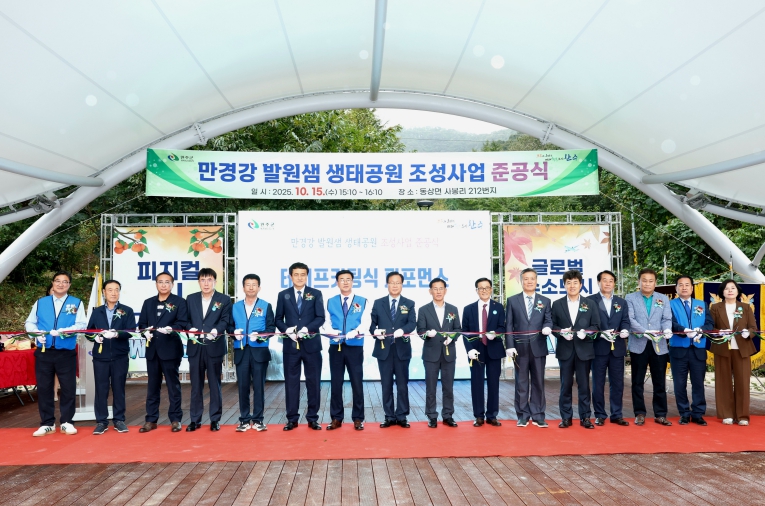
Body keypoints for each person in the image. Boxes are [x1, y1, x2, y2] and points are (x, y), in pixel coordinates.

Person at [26, 271, 87, 436]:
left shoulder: (76, 303)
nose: (61, 284)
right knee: (44, 388)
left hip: (66, 351)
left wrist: (65, 331)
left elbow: (82, 324)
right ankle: (47, 423)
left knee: (68, 388)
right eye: (57, 281)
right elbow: (30, 322)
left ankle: (67, 422)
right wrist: (36, 333)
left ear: (69, 285)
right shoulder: (41, 302)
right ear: (52, 283)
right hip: (44, 351)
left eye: (65, 281)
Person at [275, 262, 326, 430]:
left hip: (312, 345)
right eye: (296, 274)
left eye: (303, 274)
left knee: (313, 382)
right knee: (291, 383)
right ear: (290, 276)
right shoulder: (283, 295)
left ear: (307, 276)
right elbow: (278, 319)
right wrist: (287, 330)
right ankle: (292, 419)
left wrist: (307, 329)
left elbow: (320, 317)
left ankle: (313, 418)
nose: (299, 277)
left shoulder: (316, 293)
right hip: (291, 346)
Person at [138, 272, 189, 433]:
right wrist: (144, 332)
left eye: (167, 282)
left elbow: (183, 323)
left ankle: (175, 419)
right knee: (152, 386)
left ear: (172, 284)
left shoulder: (179, 302)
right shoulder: (148, 303)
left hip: (170, 349)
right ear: (156, 284)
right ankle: (151, 420)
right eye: (160, 282)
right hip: (152, 350)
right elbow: (142, 324)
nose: (164, 285)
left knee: (173, 386)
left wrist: (171, 329)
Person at [551, 270, 600, 429]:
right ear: (564, 285)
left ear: (581, 284)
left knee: (584, 385)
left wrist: (586, 333)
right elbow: (552, 326)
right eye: (569, 283)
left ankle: (585, 417)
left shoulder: (590, 303)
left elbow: (596, 326)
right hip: (565, 350)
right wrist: (561, 333)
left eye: (575, 282)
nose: (572, 286)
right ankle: (566, 417)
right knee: (565, 385)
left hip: (584, 350)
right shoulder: (557, 304)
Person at [185, 268, 232, 432]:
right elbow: (185, 319)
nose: (206, 283)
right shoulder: (190, 299)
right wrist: (190, 329)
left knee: (214, 384)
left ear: (215, 281)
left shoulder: (224, 299)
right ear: (199, 282)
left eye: (209, 280)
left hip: (214, 346)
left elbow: (225, 320)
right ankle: (195, 419)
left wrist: (216, 331)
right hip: (195, 347)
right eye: (203, 280)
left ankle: (215, 419)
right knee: (195, 385)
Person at [504, 268, 553, 428]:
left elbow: (548, 320)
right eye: (526, 278)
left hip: (538, 347)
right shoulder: (513, 301)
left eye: (532, 278)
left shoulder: (545, 301)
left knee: (539, 382)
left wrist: (547, 327)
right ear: (521, 281)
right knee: (521, 383)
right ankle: (523, 415)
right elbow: (509, 325)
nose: (529, 281)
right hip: (520, 349)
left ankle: (538, 415)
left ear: (536, 281)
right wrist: (509, 346)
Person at [625, 268, 673, 426]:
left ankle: (660, 414)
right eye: (644, 280)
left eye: (650, 281)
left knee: (659, 381)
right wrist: (645, 332)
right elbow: (630, 319)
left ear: (655, 283)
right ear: (639, 282)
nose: (647, 283)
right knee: (637, 381)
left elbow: (666, 318)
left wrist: (667, 329)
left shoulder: (663, 298)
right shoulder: (630, 298)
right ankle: (639, 413)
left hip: (658, 344)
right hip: (639, 343)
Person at [86, 279, 135, 435]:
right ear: (104, 292)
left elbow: (131, 331)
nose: (114, 293)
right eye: (110, 290)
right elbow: (89, 332)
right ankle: (101, 421)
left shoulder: (127, 310)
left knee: (119, 388)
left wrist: (117, 334)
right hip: (101, 357)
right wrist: (95, 338)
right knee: (101, 389)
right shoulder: (97, 311)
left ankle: (119, 420)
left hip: (120, 356)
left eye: (116, 290)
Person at [370, 271, 417, 428]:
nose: (395, 285)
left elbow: (412, 323)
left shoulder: (409, 303)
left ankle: (402, 415)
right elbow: (372, 325)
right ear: (387, 284)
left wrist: (403, 330)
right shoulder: (378, 303)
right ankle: (389, 416)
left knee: (402, 384)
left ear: (402, 285)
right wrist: (375, 332)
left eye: (398, 283)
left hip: (402, 350)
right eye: (392, 282)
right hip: (384, 350)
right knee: (386, 384)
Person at [230, 273, 275, 432]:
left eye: (254, 284)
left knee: (259, 386)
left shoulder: (266, 305)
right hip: (241, 351)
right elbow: (229, 326)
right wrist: (234, 332)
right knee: (242, 386)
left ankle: (258, 419)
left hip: (259, 352)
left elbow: (271, 328)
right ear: (243, 288)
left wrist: (260, 335)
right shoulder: (235, 307)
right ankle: (244, 420)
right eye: (248, 285)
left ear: (259, 287)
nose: (251, 287)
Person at [323, 270, 367, 430]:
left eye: (348, 279)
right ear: (337, 283)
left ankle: (358, 418)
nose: (345, 282)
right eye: (342, 279)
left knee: (357, 382)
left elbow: (366, 322)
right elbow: (325, 322)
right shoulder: (330, 301)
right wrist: (331, 332)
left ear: (352, 282)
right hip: (336, 347)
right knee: (336, 382)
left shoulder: (363, 301)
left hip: (355, 347)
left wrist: (356, 331)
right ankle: (336, 418)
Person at [710, 279, 757, 426]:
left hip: (742, 349)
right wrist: (719, 332)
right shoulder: (715, 307)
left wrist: (748, 333)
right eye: (726, 288)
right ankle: (727, 414)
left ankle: (742, 416)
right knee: (723, 381)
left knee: (742, 382)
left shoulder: (746, 307)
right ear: (722, 292)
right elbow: (710, 327)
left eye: (733, 288)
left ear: (738, 291)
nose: (730, 290)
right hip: (722, 348)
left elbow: (753, 328)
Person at [588, 270, 631, 426]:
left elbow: (625, 320)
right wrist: (600, 334)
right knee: (598, 384)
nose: (608, 283)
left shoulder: (621, 302)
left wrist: (625, 330)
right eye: (604, 280)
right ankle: (600, 414)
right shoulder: (590, 301)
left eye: (611, 281)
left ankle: (616, 414)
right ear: (598, 282)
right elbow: (587, 323)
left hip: (617, 348)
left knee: (617, 383)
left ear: (614, 283)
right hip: (598, 348)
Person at [669, 275, 714, 426]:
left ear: (692, 288)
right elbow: (670, 323)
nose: (684, 287)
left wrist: (701, 330)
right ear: (676, 288)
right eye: (681, 285)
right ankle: (684, 413)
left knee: (698, 383)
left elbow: (710, 323)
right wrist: (684, 330)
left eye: (687, 284)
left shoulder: (701, 304)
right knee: (679, 384)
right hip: (678, 350)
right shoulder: (670, 305)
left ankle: (698, 414)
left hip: (698, 350)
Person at [417, 278, 461, 428]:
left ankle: (448, 415)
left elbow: (458, 329)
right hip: (431, 354)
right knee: (431, 387)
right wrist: (426, 334)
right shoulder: (423, 310)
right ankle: (432, 416)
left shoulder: (453, 309)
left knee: (448, 387)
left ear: (445, 290)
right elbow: (420, 331)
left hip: (449, 353)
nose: (438, 291)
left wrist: (452, 338)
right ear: (430, 291)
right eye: (435, 289)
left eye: (441, 288)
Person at [463, 277, 506, 427]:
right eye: (481, 288)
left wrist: (496, 333)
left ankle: (492, 415)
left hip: (494, 349)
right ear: (477, 290)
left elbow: (502, 327)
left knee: (494, 383)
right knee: (477, 383)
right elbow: (465, 332)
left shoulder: (498, 307)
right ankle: (479, 416)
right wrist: (469, 349)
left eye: (487, 287)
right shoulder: (468, 309)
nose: (484, 290)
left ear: (491, 289)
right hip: (477, 350)